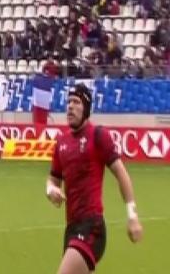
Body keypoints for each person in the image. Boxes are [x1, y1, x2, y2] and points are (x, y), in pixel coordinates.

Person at [46, 84, 143, 274]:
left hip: (92, 227)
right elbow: (52, 179)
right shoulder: (61, 143)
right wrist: (51, 190)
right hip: (71, 228)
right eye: (68, 102)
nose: (70, 107)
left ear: (87, 109)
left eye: (76, 102)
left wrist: (132, 217)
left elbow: (122, 174)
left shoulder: (98, 136)